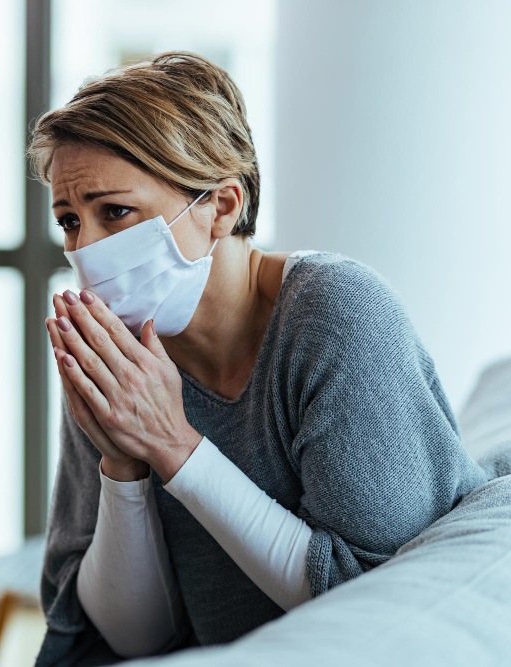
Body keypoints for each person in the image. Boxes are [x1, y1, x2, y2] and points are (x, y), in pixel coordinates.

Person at [26, 51, 499, 666]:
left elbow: (366, 597)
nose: (85, 249)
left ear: (221, 206)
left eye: (114, 212)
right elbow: (131, 640)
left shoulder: (334, 315)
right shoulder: (118, 355)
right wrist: (123, 460)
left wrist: (173, 446)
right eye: (69, 219)